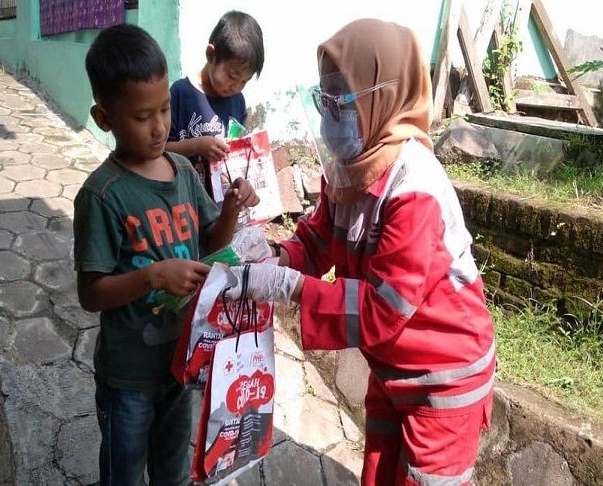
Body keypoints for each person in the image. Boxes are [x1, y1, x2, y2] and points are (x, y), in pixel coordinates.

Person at [225, 19, 495, 485]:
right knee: (378, 472)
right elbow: (318, 241)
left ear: (384, 98)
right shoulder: (350, 168)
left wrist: (288, 286)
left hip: (442, 373)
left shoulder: (415, 187)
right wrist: (273, 257)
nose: (331, 115)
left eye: (342, 100)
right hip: (392, 365)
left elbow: (383, 308)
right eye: (324, 98)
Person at [74, 24, 258, 485]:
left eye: (164, 110)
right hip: (129, 376)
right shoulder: (102, 195)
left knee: (172, 470)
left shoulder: (182, 172)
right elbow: (91, 294)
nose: (159, 127)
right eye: (142, 116)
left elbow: (212, 242)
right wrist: (154, 276)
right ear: (104, 118)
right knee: (124, 472)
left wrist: (231, 207)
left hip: (182, 361)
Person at [165, 10, 264, 196]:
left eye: (245, 81)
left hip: (221, 204)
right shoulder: (180, 93)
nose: (236, 86)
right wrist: (197, 146)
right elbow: (161, 150)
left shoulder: (238, 101)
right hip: (183, 200)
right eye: (232, 76)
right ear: (211, 55)